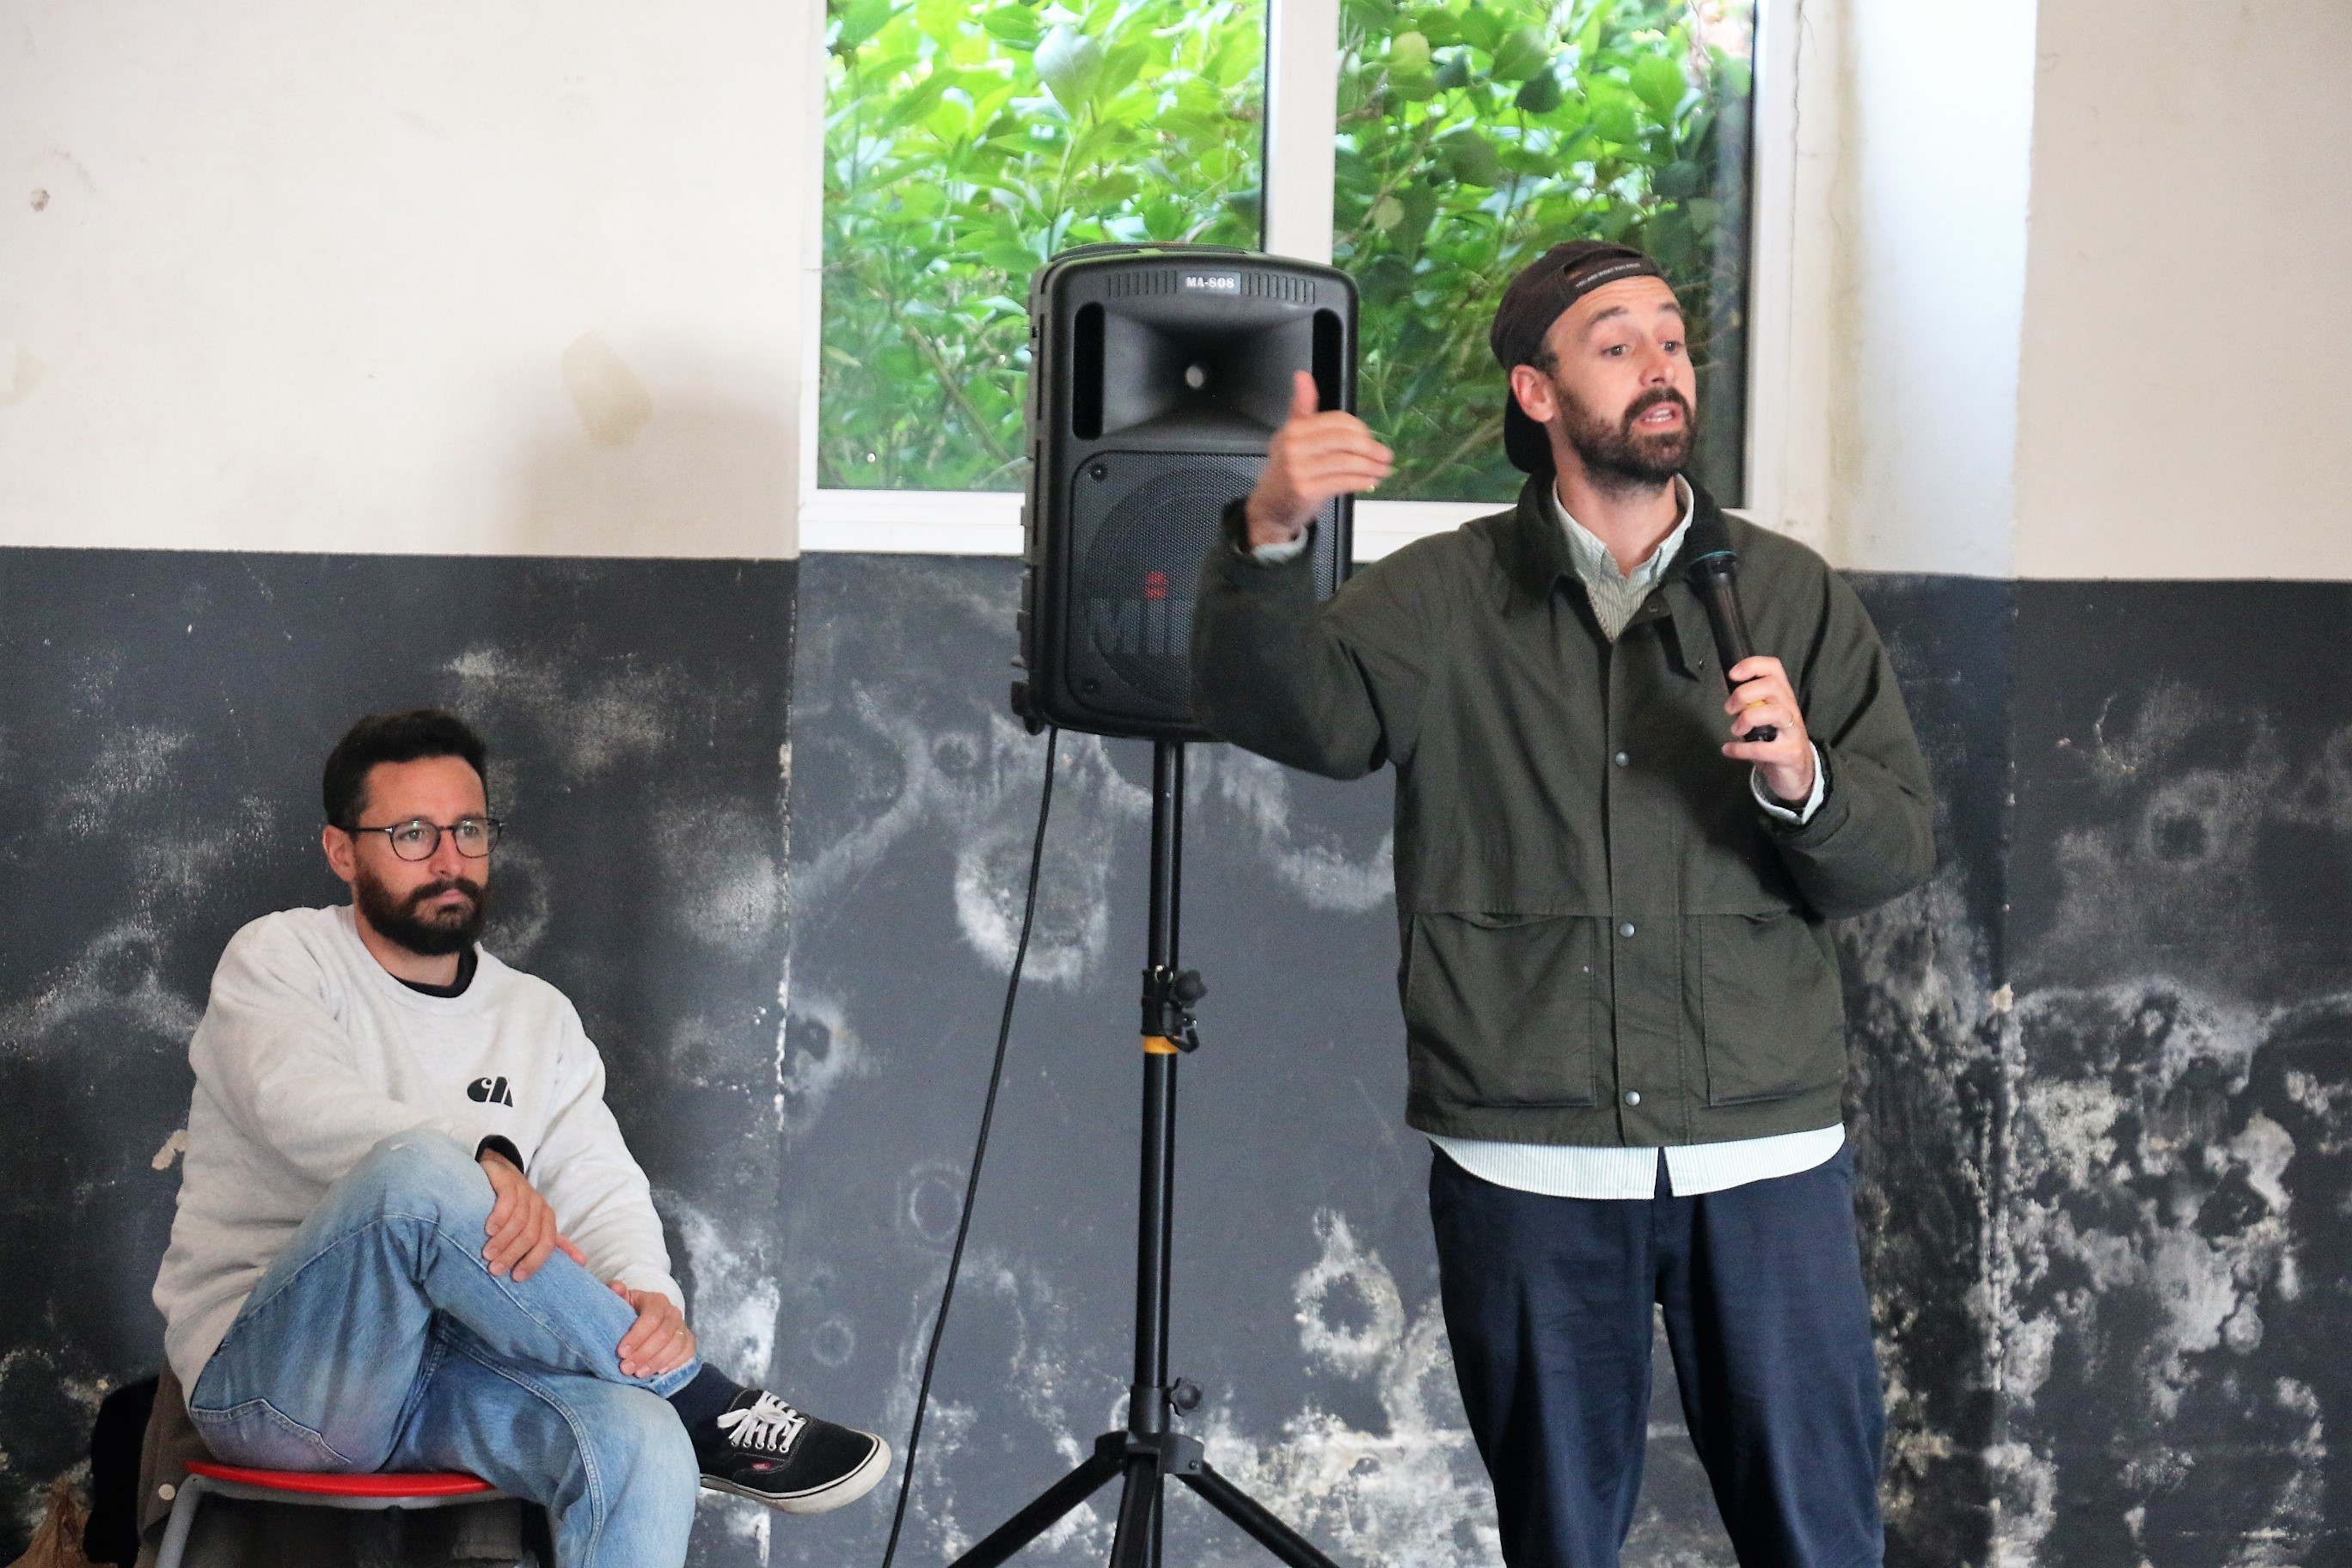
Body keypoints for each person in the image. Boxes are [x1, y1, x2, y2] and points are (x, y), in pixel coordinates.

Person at [1191, 241, 1937, 1566]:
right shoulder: (1441, 596)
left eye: (1673, 338)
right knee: (1560, 1541)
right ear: (1537, 393)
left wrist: (1804, 780)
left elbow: (1891, 853)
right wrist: (1268, 536)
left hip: (1762, 1151)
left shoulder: (1786, 593)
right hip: (1529, 1154)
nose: (1662, 365)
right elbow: (1301, 715)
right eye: (1617, 343)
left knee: (1820, 1536)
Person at [151, 710, 889, 1567]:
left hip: (447, 1380)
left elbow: (599, 1184)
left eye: (468, 830)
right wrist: (482, 1156)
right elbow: (299, 1104)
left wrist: (651, 1299)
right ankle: (699, 1399)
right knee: (420, 1176)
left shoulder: (537, 1016)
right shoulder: (280, 957)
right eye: (412, 834)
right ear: (343, 852)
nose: (448, 859)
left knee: (644, 1439)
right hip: (280, 1382)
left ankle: (673, 1403)